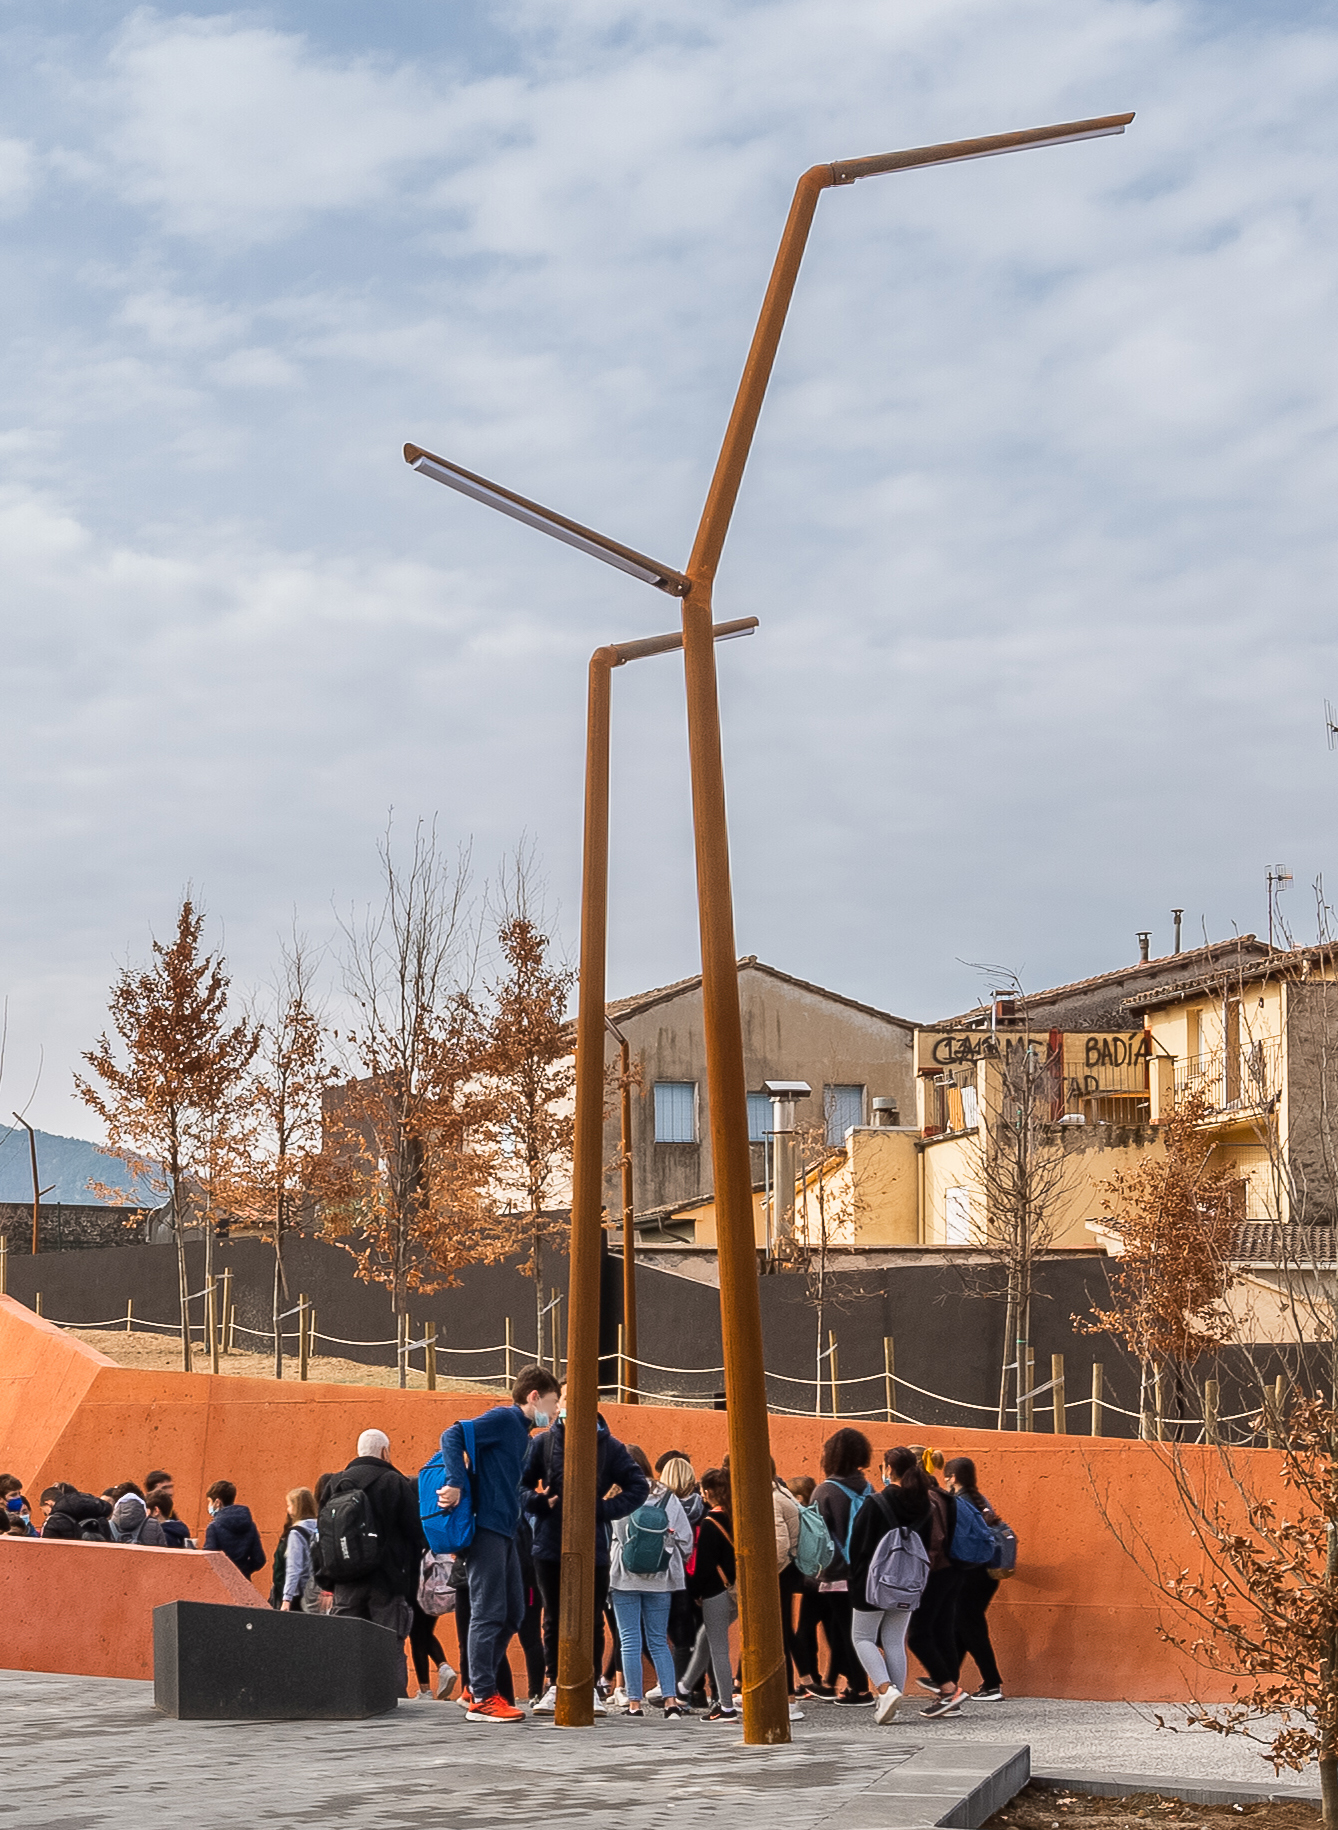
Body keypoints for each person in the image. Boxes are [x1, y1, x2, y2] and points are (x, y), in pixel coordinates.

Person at [439, 1364, 561, 1724]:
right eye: (553, 1403)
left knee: (512, 1613)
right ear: (534, 1396)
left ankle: (476, 1687)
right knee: (490, 1612)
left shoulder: (522, 1433)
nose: (555, 1412)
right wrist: (456, 1482)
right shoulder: (505, 1419)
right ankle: (482, 1697)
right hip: (488, 1529)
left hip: (507, 1531)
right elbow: (453, 1434)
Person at [519, 1375, 647, 1717]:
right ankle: (555, 1684)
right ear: (558, 1403)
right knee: (554, 1617)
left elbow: (638, 1487)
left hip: (594, 1546)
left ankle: (588, 1687)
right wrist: (538, 1502)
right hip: (549, 1544)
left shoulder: (611, 1446)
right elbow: (521, 1486)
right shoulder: (543, 1443)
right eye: (567, 1399)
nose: (572, 1406)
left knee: (590, 1618)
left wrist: (603, 1509)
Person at [325, 1430, 426, 1697]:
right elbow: (415, 1531)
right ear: (385, 1452)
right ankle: (390, 1697)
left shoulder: (335, 1483)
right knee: (389, 1642)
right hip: (387, 1580)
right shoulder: (394, 1482)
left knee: (344, 1641)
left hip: (345, 1579)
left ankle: (342, 1695)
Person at [847, 1446, 934, 1724]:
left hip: (872, 1583)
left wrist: (855, 1577)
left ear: (887, 1469)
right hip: (909, 1582)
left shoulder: (875, 1503)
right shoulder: (924, 1505)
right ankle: (892, 1695)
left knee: (862, 1637)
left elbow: (857, 1545)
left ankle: (885, 1690)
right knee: (895, 1639)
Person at [608, 1444, 692, 1719]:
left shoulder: (615, 1495)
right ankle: (670, 1702)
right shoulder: (666, 1495)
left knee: (629, 1640)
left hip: (624, 1577)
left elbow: (610, 1537)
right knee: (658, 1640)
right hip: (660, 1577)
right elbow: (686, 1541)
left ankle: (633, 1704)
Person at [813, 1428, 875, 1707]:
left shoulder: (824, 1490)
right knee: (856, 1630)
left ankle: (859, 1687)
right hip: (865, 1572)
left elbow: (815, 1535)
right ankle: (846, 1682)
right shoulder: (870, 1488)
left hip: (835, 1573)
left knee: (840, 1631)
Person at [907, 1456, 966, 1718]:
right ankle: (951, 1693)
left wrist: (919, 1572)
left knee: (919, 1635)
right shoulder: (944, 1496)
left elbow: (933, 1540)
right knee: (943, 1630)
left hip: (935, 1571)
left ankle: (948, 1689)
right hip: (953, 1569)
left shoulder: (926, 1500)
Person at [678, 1466, 738, 1723]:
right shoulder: (739, 1516)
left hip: (716, 1591)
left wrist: (695, 1592)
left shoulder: (710, 1523)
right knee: (706, 1636)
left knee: (719, 1648)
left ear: (710, 1491)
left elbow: (703, 1565)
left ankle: (726, 1706)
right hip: (737, 1592)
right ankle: (683, 1688)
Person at [944, 1456, 1004, 1702]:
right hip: (987, 1573)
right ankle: (949, 1682)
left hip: (968, 1573)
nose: (945, 1481)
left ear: (954, 1478)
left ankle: (992, 1683)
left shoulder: (958, 1503)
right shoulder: (980, 1501)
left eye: (946, 1476)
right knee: (963, 1626)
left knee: (971, 1629)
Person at [657, 1456, 705, 1700]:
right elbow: (689, 1543)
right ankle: (696, 1690)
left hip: (667, 1575)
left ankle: (676, 1690)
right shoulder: (702, 1506)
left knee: (672, 1635)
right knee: (700, 1636)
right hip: (698, 1577)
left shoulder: (662, 1503)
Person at [203, 1481, 266, 1578]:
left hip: (220, 1581)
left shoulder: (213, 1527)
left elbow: (209, 1559)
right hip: (243, 1580)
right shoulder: (250, 1525)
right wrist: (243, 1570)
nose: (209, 1505)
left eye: (210, 1501)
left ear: (217, 1503)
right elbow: (259, 1559)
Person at [277, 1487, 321, 1612]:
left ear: (297, 1507)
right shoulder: (321, 1526)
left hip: (301, 1591)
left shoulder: (296, 1532)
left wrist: (287, 1599)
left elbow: (294, 1568)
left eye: (289, 1505)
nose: (288, 1510)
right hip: (320, 1589)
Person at [40, 1485, 113, 1541]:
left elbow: (47, 1550)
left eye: (45, 1513)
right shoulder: (96, 1511)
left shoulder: (53, 1520)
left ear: (48, 1503)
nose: (47, 1515)